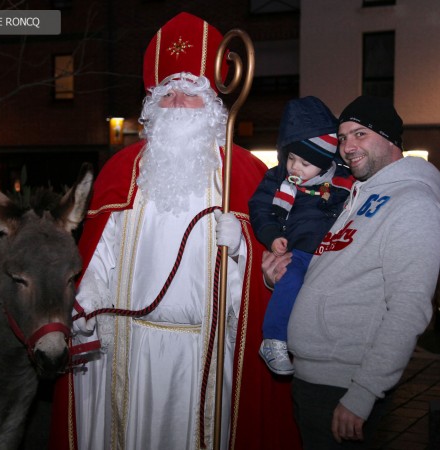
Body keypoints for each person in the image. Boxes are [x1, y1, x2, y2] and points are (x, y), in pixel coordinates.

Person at [48, 12, 301, 450]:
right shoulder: (122, 171)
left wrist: (241, 248)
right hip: (132, 347)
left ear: (213, 105)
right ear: (151, 105)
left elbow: (274, 270)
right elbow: (100, 254)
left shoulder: (245, 176)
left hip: (206, 351)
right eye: (168, 94)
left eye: (191, 93)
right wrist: (85, 306)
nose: (179, 104)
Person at [267, 95, 440, 449]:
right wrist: (278, 278)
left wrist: (363, 393)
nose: (347, 146)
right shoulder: (360, 196)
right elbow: (332, 275)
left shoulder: (413, 205)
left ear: (391, 140)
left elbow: (409, 309)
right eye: (343, 137)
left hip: (344, 385)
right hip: (315, 378)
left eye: (360, 134)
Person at [249, 96, 353, 376]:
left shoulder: (344, 183)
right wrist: (271, 236)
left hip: (332, 256)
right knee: (290, 283)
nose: (295, 167)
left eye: (305, 163)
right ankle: (273, 340)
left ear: (323, 163)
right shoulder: (279, 179)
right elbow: (259, 207)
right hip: (299, 251)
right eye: (291, 158)